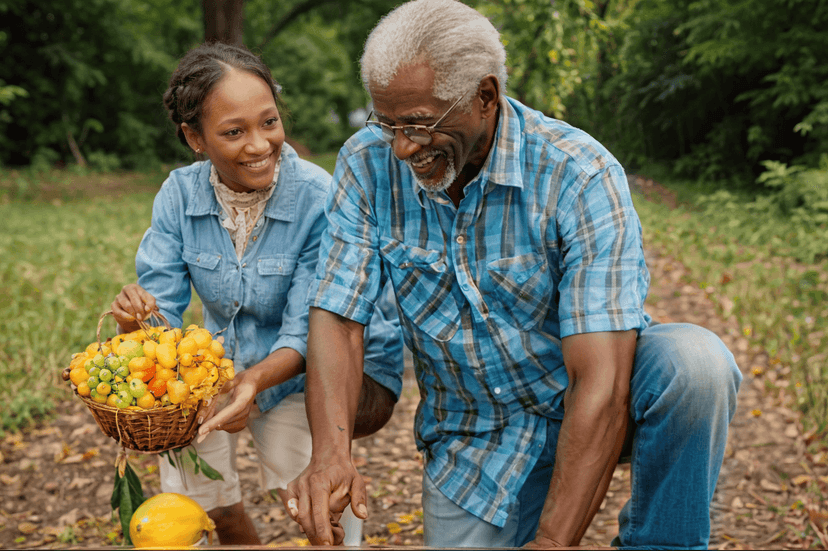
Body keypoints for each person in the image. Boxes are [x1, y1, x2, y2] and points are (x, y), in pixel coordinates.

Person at [284, 1, 743, 548]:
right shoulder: (366, 163)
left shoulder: (579, 174)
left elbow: (601, 382)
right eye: (388, 123)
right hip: (473, 437)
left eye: (419, 124)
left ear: (485, 97)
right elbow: (338, 314)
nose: (402, 147)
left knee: (695, 365)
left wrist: (553, 541)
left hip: (592, 401)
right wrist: (331, 455)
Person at [110, 41, 403, 546]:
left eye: (269, 122)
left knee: (318, 508)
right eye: (233, 132)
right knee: (199, 504)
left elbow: (309, 328)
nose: (259, 144)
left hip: (305, 371)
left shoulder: (317, 197)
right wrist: (135, 320)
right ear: (194, 138)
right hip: (220, 368)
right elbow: (162, 320)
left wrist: (250, 383)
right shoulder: (179, 196)